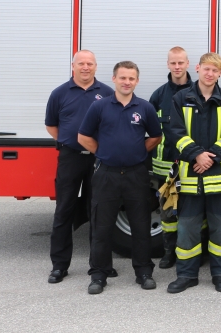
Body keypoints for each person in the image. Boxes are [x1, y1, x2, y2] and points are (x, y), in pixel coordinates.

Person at [78, 61, 163, 295]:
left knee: (140, 226)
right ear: (114, 79)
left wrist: (137, 152)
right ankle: (98, 275)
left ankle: (144, 272)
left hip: (136, 174)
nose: (127, 82)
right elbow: (83, 137)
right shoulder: (100, 107)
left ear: (136, 81)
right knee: (102, 227)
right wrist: (103, 152)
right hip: (107, 174)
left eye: (131, 78)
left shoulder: (144, 108)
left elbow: (155, 136)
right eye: (123, 78)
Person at [166, 53, 221, 294]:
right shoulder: (180, 98)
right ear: (197, 68)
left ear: (220, 74)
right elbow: (175, 131)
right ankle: (187, 275)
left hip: (219, 176)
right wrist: (197, 154)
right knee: (187, 228)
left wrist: (211, 157)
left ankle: (220, 274)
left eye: (215, 71)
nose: (210, 74)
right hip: (190, 177)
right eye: (206, 69)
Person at [44, 50, 115, 284]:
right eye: (81, 63)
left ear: (96, 66)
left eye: (90, 63)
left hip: (98, 158)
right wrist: (70, 142)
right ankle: (59, 266)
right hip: (70, 157)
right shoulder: (59, 93)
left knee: (98, 211)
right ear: (73, 66)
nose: (86, 67)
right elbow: (52, 126)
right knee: (64, 210)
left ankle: (100, 265)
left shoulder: (106, 93)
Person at [149, 46, 192, 269]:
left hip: (192, 164)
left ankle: (192, 252)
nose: (177, 67)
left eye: (180, 63)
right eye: (173, 63)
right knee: (167, 214)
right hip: (166, 167)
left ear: (187, 64)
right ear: (168, 65)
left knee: (192, 213)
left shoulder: (198, 91)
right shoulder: (158, 95)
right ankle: (169, 253)